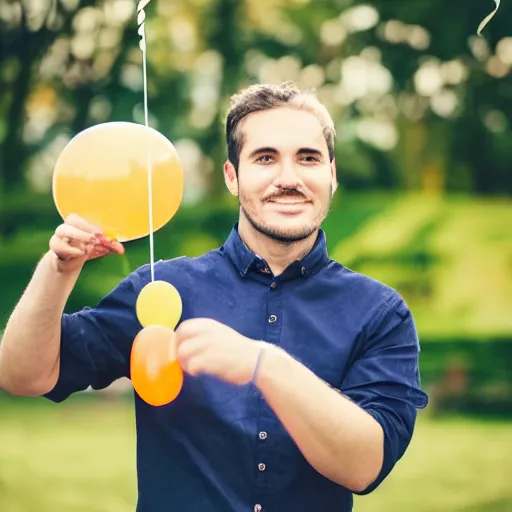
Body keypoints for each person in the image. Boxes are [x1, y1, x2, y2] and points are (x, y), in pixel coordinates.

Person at [0, 81, 428, 512]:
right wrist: (58, 270)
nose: (289, 178)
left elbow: (364, 466)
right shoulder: (160, 292)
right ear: (231, 176)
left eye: (308, 158)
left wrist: (263, 364)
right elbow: (22, 375)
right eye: (265, 158)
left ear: (331, 175)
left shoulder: (379, 313)